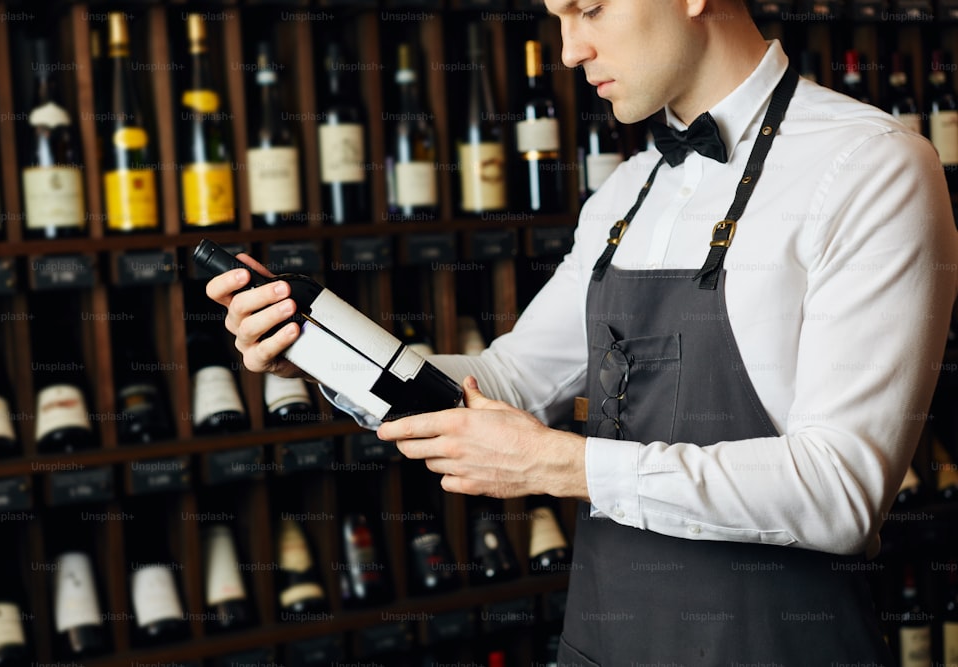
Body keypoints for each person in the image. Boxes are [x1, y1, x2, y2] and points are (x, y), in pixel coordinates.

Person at [207, 0, 958, 662]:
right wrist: (314, 352)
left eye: (589, 10)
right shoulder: (625, 193)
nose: (568, 51)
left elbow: (838, 489)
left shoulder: (871, 167)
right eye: (557, 18)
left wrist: (565, 467)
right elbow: (507, 381)